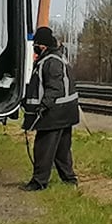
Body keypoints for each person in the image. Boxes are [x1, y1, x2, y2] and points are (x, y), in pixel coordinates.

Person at [21, 26, 80, 190]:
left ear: (43, 46)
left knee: (43, 149)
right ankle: (69, 180)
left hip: (54, 114)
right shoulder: (58, 58)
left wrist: (42, 107)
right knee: (62, 150)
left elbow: (55, 88)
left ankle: (39, 182)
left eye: (36, 46)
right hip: (66, 112)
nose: (35, 49)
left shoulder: (50, 62)